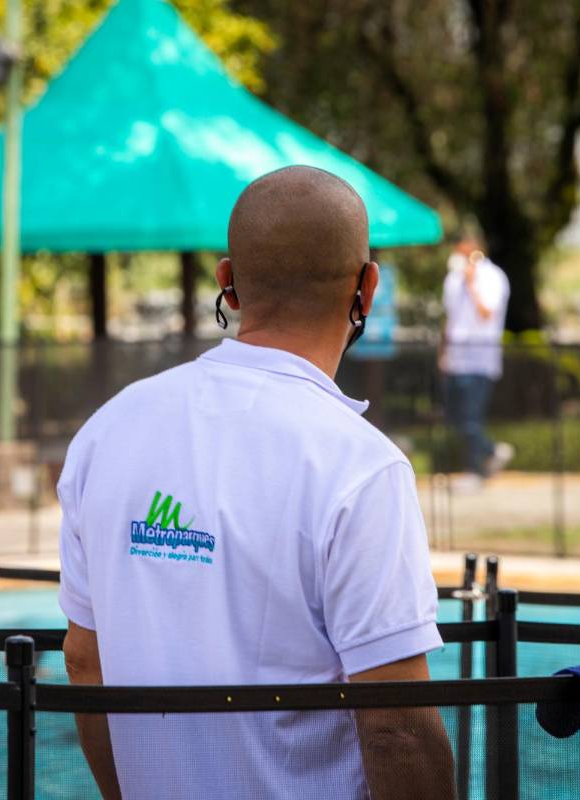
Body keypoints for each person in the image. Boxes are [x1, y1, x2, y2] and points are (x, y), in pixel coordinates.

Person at [59, 166, 455, 800]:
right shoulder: (360, 465)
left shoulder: (109, 431)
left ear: (228, 284)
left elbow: (84, 660)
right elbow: (397, 726)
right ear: (367, 289)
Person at [439, 235, 513, 491]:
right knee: (456, 418)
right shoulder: (452, 279)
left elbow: (486, 313)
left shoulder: (493, 277)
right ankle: (492, 450)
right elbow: (451, 319)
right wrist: (444, 353)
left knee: (471, 418)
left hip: (479, 359)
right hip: (456, 358)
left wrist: (472, 285)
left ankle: (474, 471)